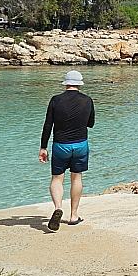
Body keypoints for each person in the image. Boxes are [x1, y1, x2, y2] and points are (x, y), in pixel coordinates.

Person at [39, 70, 95, 231]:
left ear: (66, 83)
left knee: (57, 179)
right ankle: (73, 216)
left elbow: (48, 125)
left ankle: (58, 208)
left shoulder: (56, 100)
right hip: (80, 145)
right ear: (79, 83)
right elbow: (91, 123)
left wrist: (43, 147)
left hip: (60, 145)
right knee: (76, 178)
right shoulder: (87, 100)